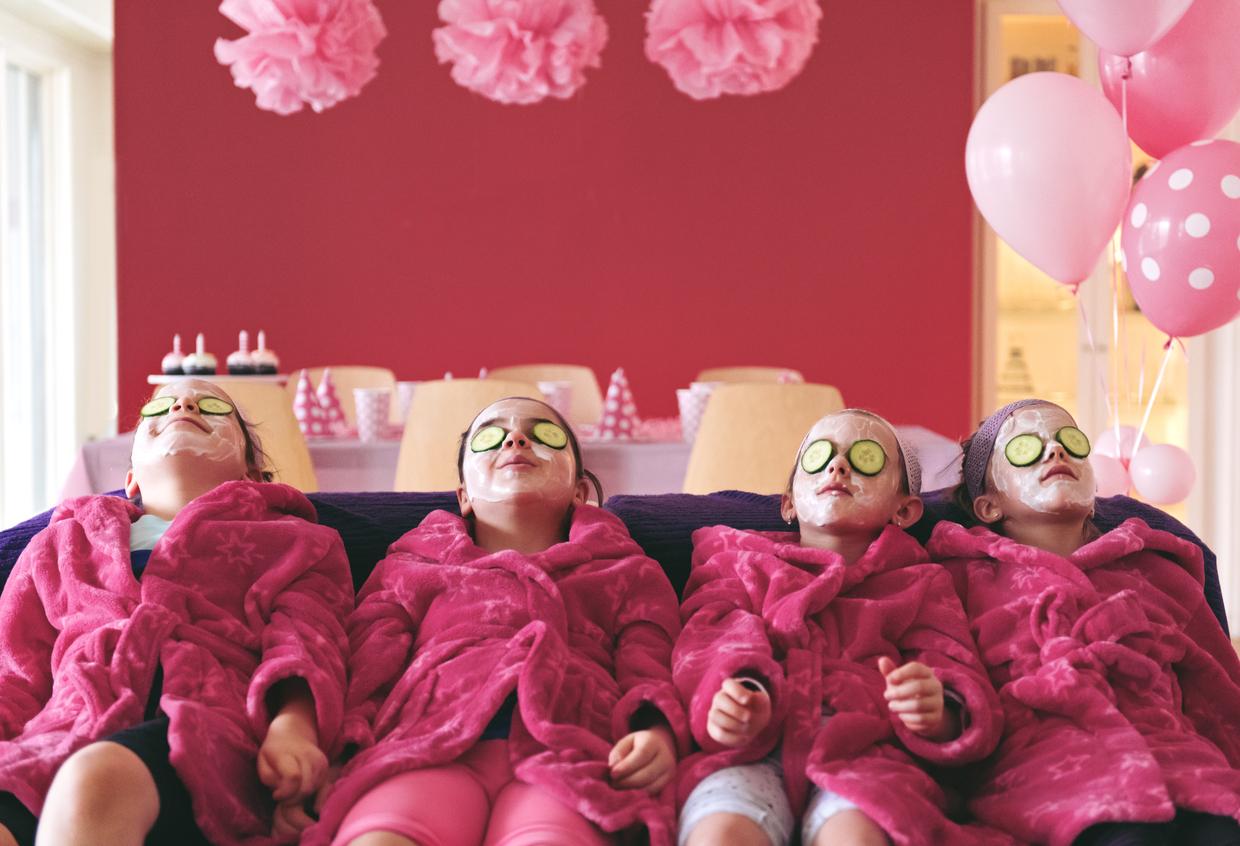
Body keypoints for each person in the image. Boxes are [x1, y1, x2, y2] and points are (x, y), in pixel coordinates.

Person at [309, 397, 688, 846]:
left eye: (544, 434)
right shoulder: (411, 564)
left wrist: (657, 731)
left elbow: (654, 657)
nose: (516, 438)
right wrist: (338, 749)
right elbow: (366, 665)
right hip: (425, 749)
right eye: (490, 437)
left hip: (568, 756)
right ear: (464, 496)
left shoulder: (626, 569)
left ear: (580, 493)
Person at [0, 380, 352, 846]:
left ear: (253, 473)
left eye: (210, 407)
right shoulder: (63, 544)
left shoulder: (296, 542)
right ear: (131, 479)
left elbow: (307, 642)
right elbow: (14, 669)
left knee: (95, 780)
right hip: (62, 730)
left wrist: (294, 730)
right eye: (159, 408)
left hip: (206, 729)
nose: (182, 405)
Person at [675, 409, 1005, 846]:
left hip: (866, 756)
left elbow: (951, 661)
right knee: (719, 835)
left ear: (904, 510)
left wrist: (936, 707)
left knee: (856, 838)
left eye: (865, 458)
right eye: (819, 456)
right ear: (788, 502)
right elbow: (707, 637)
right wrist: (735, 692)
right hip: (750, 750)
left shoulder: (920, 582)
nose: (838, 465)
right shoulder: (737, 561)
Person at [929, 399, 1240, 846]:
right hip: (1048, 769)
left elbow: (1220, 691)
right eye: (1024, 448)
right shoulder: (958, 579)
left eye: (1069, 442)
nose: (1055, 451)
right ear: (988, 506)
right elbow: (952, 687)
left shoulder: (1159, 570)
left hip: (1180, 762)